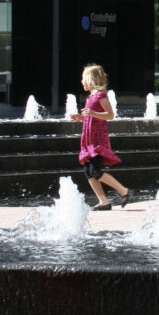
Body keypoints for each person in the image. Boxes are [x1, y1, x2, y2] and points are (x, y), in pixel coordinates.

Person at [69, 63, 133, 211]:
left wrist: (92, 113)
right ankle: (103, 202)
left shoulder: (100, 95)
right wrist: (80, 117)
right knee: (88, 172)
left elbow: (110, 115)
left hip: (97, 141)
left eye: (83, 79)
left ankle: (124, 191)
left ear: (91, 80)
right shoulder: (91, 97)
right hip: (88, 140)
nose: (81, 82)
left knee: (95, 172)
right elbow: (92, 117)